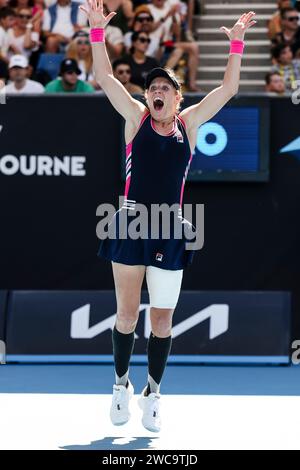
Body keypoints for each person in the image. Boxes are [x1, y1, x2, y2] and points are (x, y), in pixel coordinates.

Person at [80, 0, 256, 433]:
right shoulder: (134, 119)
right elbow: (104, 76)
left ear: (178, 98)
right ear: (147, 96)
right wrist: (97, 32)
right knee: (126, 316)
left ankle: (153, 393)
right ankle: (121, 384)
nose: (157, 92)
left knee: (161, 319)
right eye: (152, 88)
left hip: (170, 227)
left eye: (166, 88)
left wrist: (236, 44)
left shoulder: (190, 125)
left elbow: (228, 91)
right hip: (130, 221)